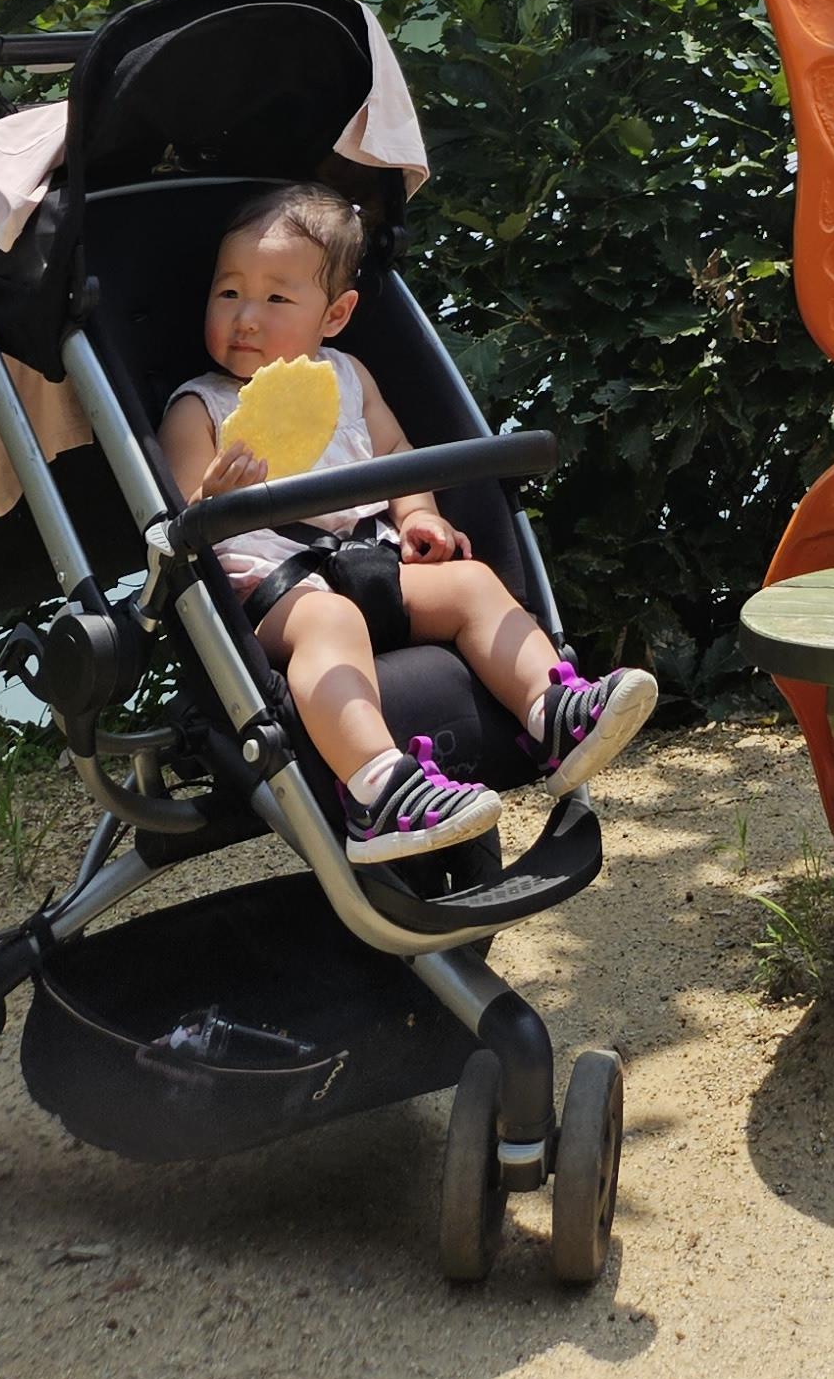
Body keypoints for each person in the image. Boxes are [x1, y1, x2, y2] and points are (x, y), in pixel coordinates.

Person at [160, 182, 656, 867]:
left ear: (335, 315)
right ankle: (378, 790)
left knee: (471, 583)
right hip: (274, 592)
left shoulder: (348, 378)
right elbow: (183, 526)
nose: (245, 317)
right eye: (228, 293)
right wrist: (215, 494)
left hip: (373, 561)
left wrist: (418, 512)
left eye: (275, 299)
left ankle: (552, 712)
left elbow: (395, 454)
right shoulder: (199, 408)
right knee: (332, 620)